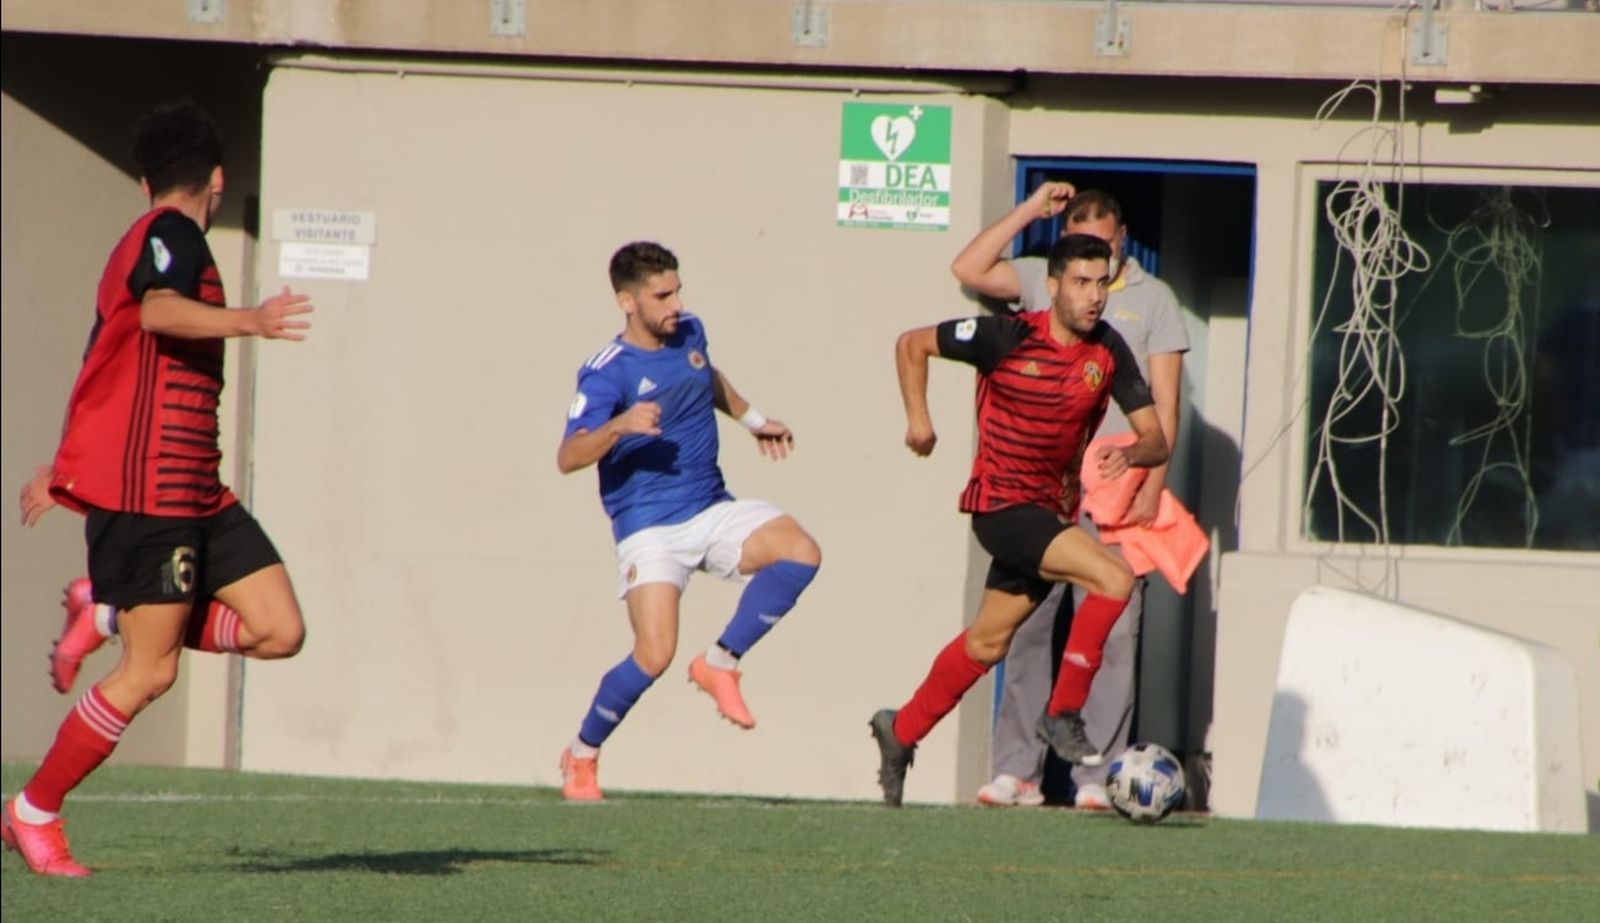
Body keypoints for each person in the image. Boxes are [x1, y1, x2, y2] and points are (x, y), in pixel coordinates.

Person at [2, 100, 314, 877]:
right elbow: (156, 311)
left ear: (144, 179)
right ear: (217, 180)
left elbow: (104, 359)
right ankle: (33, 810)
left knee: (279, 628)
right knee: (151, 670)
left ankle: (105, 609)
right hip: (150, 493)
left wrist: (65, 462)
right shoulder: (168, 232)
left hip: (196, 486)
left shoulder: (159, 233)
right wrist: (253, 320)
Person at [870, 233, 1168, 808]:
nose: (1094, 296)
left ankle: (899, 730)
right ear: (1052, 286)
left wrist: (1132, 453)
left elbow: (1156, 438)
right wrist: (919, 421)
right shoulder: (1004, 335)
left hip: (1048, 516)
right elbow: (911, 344)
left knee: (987, 643)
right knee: (1115, 578)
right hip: (1002, 509)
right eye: (1080, 283)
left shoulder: (1108, 351)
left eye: (1102, 283)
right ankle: (1063, 713)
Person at [555, 241, 822, 802]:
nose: (676, 304)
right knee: (654, 655)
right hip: (649, 528)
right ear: (627, 302)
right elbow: (569, 456)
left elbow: (706, 376)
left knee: (801, 551)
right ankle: (582, 754)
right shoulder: (606, 372)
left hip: (711, 506)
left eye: (677, 291)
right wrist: (619, 426)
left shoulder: (690, 332)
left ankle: (719, 663)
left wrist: (754, 420)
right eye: (662, 295)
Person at [951, 184, 1188, 809]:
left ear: (1123, 241)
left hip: (1118, 488)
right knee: (1026, 626)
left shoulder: (1154, 300)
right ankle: (1017, 771)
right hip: (1039, 488)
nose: (1094, 273)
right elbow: (968, 268)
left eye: (1104, 249)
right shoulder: (1041, 280)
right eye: (1080, 251)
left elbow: (1165, 402)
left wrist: (1152, 485)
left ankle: (1097, 775)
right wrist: (1031, 209)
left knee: (1113, 629)